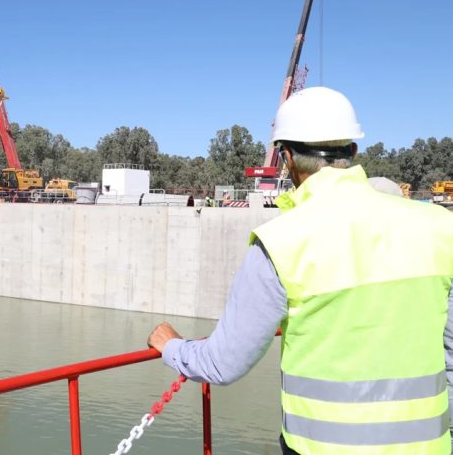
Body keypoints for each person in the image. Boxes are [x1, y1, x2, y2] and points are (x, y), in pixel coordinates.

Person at [147, 87, 453, 454]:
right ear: (353, 152)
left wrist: (172, 347)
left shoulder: (281, 241)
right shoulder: (439, 226)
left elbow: (223, 364)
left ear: (286, 157)